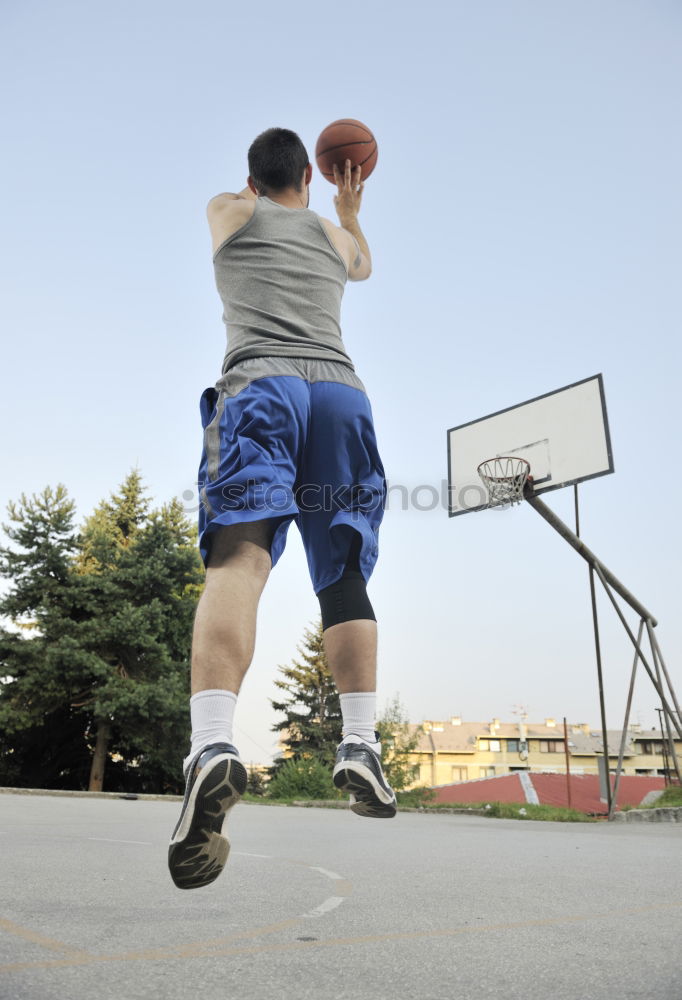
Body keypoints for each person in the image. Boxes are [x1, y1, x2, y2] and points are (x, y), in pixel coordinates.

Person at [168, 128, 396, 891]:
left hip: (262, 387)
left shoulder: (232, 212)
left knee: (241, 558)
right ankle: (360, 744)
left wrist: (258, 186)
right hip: (339, 395)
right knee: (342, 573)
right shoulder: (333, 238)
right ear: (310, 172)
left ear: (255, 178)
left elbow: (238, 199)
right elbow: (362, 264)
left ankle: (211, 744)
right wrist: (348, 204)